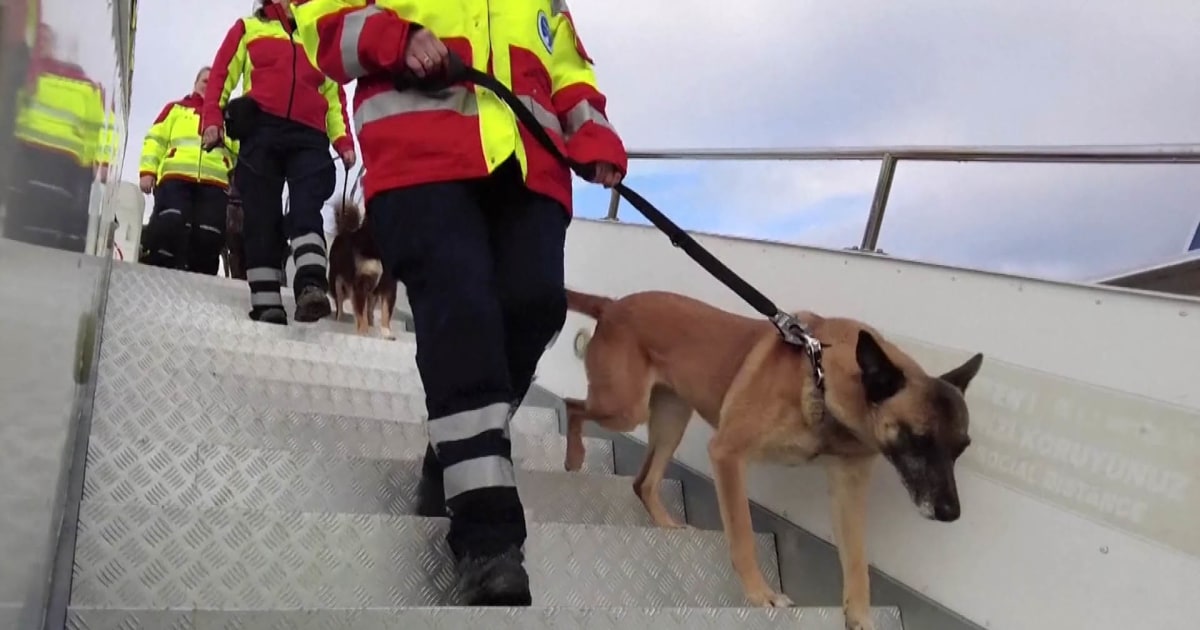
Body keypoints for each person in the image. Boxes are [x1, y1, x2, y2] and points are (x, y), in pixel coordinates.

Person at [292, 0, 627, 606]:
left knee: (536, 305)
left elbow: (568, 65)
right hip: (420, 157)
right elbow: (321, 23)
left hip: (528, 165)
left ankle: (450, 451)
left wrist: (591, 130)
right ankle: (487, 538)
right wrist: (398, 38)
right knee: (463, 311)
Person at [201, 0, 357, 324]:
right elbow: (220, 75)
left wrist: (343, 142)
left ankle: (312, 285)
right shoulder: (247, 28)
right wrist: (212, 119)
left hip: (310, 137)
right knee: (261, 217)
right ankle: (266, 303)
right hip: (261, 133)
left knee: (306, 209)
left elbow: (334, 98)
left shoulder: (319, 35)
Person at [3, 21, 106, 252]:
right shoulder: (23, 74)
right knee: (19, 223)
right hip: (25, 157)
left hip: (62, 165)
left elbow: (95, 129)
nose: (40, 45)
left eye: (45, 40)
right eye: (36, 40)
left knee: (48, 226)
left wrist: (91, 164)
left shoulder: (83, 85)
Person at [138, 66, 237, 274]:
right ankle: (158, 271)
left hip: (215, 184)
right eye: (204, 81)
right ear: (195, 84)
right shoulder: (175, 109)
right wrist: (148, 171)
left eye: (214, 82)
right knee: (171, 222)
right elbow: (155, 140)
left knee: (209, 234)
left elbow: (241, 153)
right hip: (175, 179)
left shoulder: (229, 118)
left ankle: (200, 283)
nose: (209, 85)